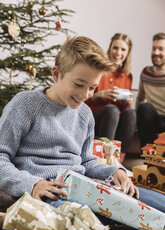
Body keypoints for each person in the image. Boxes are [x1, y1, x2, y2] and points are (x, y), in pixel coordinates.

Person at [0, 36, 164, 214]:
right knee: (86, 218)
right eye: (79, 84)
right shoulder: (25, 104)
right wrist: (32, 184)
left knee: (157, 201)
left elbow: (87, 161)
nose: (85, 94)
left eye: (93, 88)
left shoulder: (85, 114)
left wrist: (115, 171)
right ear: (57, 74)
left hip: (83, 186)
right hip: (47, 191)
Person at [86, 33, 136, 164]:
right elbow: (83, 101)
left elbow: (125, 110)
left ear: (127, 53)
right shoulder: (98, 70)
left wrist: (127, 103)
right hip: (96, 116)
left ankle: (119, 157)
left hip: (116, 119)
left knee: (131, 113)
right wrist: (100, 94)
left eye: (123, 49)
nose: (118, 53)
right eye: (115, 48)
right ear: (110, 49)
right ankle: (105, 157)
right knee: (112, 110)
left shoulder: (128, 76)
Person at [136, 33, 165, 147]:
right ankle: (147, 154)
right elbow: (140, 98)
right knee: (144, 107)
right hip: (153, 120)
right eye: (154, 48)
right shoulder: (146, 73)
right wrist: (136, 120)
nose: (156, 52)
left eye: (161, 49)